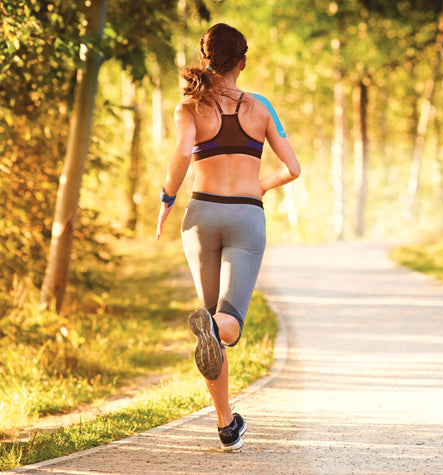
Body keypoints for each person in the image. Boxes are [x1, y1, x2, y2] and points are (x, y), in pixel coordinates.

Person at [155, 23, 300, 451]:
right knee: (228, 324)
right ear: (243, 62)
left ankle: (226, 423)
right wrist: (261, 186)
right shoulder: (260, 108)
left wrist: (166, 199)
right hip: (244, 217)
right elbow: (292, 168)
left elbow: (183, 153)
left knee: (211, 326)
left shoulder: (188, 108)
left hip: (199, 216)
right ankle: (214, 328)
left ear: (205, 60)